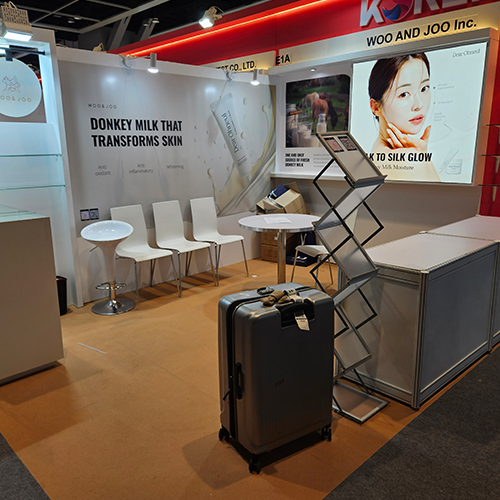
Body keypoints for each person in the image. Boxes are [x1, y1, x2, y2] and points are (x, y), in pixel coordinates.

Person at [368, 53, 439, 181]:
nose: (419, 105)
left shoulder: (377, 151)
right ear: (376, 107)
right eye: (404, 94)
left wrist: (422, 153)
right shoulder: (407, 160)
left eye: (424, 88)